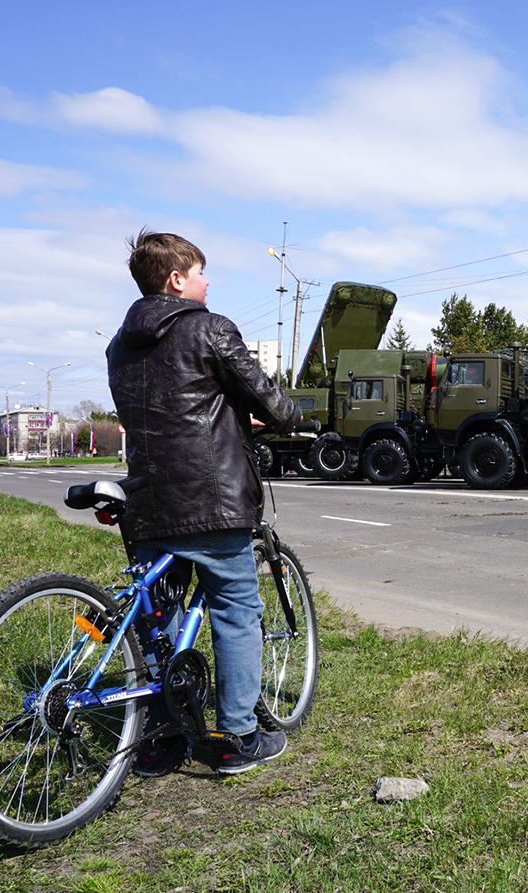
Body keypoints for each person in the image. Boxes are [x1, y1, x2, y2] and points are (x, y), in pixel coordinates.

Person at [106, 228, 303, 777]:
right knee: (237, 610)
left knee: (159, 619)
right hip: (210, 501)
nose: (207, 280)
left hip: (146, 502)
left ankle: (160, 738)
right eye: (200, 272)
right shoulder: (210, 329)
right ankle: (236, 737)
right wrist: (294, 419)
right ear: (176, 279)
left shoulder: (118, 345)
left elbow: (170, 409)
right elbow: (265, 395)